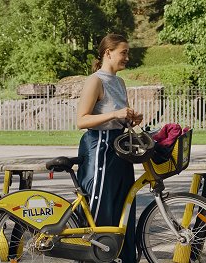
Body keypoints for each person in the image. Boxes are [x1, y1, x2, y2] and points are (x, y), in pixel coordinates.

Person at [76, 33, 143, 263]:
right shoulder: (95, 80)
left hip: (120, 149)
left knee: (123, 208)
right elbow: (81, 121)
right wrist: (115, 113)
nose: (127, 56)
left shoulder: (120, 82)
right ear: (108, 53)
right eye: (123, 52)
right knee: (100, 212)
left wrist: (130, 119)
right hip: (100, 150)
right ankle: (92, 258)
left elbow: (116, 117)